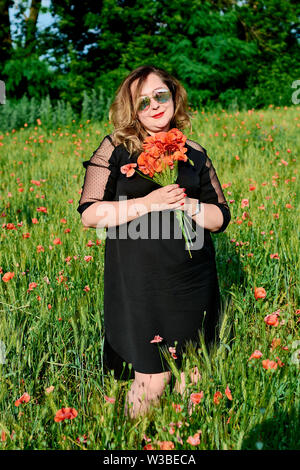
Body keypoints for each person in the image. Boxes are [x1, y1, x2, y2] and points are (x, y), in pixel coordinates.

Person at [77, 65, 231, 420]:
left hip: (193, 281)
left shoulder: (194, 152)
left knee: (192, 376)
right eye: (142, 102)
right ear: (132, 110)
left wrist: (190, 205)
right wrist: (149, 203)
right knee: (153, 379)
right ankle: (134, 444)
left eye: (160, 95)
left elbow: (220, 217)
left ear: (174, 96)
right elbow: (89, 214)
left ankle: (185, 443)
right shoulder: (115, 149)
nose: (154, 106)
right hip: (139, 284)